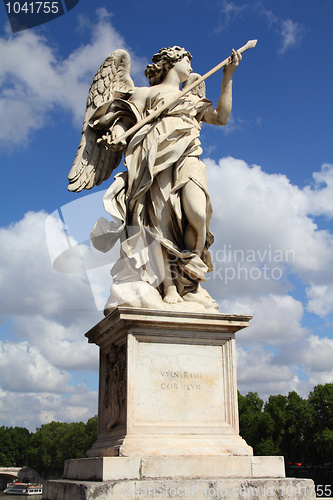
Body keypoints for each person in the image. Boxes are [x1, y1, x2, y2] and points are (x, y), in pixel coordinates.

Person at [82, 46, 242, 310]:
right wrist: (115, 134)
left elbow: (221, 117)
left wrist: (228, 77)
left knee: (198, 214)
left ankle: (189, 277)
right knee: (159, 222)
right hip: (154, 159)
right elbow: (119, 116)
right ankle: (169, 286)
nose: (190, 66)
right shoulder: (146, 93)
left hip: (188, 158)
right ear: (171, 63)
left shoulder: (191, 95)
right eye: (186, 60)